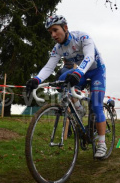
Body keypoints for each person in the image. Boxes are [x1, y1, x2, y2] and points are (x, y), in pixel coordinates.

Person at [26, 15, 107, 158]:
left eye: (55, 30)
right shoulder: (57, 48)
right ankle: (79, 109)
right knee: (61, 81)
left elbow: (89, 57)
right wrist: (37, 80)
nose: (53, 35)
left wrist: (78, 72)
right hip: (81, 70)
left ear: (65, 28)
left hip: (96, 71)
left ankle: (102, 143)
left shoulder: (82, 38)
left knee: (96, 105)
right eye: (50, 32)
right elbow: (49, 67)